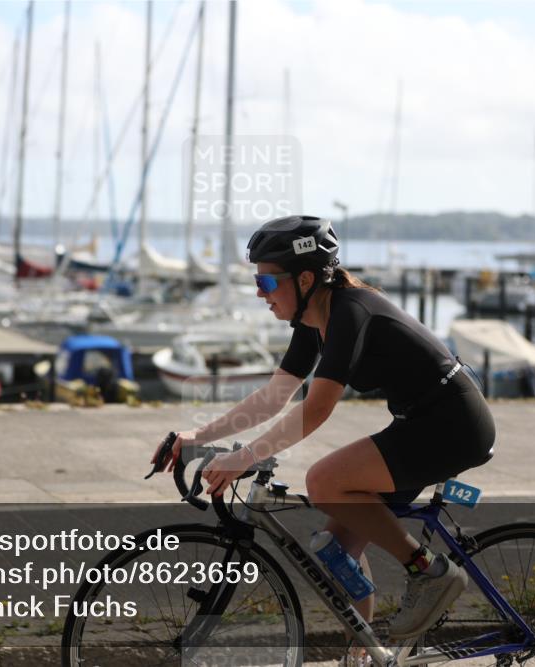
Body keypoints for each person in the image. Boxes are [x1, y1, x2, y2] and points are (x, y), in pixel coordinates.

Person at [151, 215, 495, 657]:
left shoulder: (351, 312)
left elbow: (315, 410)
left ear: (307, 277)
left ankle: (429, 571)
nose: (260, 293)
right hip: (420, 422)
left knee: (325, 481)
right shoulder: (315, 318)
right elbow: (276, 395)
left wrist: (247, 456)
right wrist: (198, 434)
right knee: (336, 555)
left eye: (268, 282)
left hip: (452, 425)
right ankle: (365, 654)